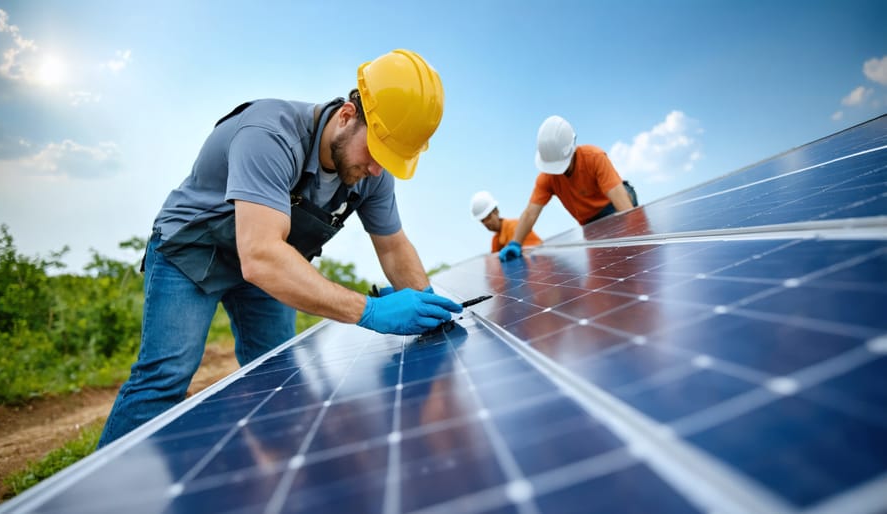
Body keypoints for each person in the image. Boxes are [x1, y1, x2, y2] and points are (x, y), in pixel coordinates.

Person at [97, 49, 462, 447]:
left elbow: (393, 247)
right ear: (346, 116)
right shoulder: (269, 135)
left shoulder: (372, 174)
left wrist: (428, 305)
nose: (377, 169)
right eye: (376, 151)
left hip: (265, 262)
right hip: (192, 252)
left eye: (389, 160)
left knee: (275, 374)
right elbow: (260, 257)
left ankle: (275, 481)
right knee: (166, 375)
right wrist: (370, 310)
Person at [498, 115, 638, 261]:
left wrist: (636, 234)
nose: (557, 172)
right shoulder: (547, 178)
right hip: (590, 222)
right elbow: (530, 213)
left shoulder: (594, 157)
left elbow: (621, 202)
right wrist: (515, 243)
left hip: (612, 205)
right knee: (604, 262)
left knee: (623, 250)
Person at [469, 190, 542, 253]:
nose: (487, 223)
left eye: (488, 217)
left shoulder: (515, 228)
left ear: (496, 211)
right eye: (483, 221)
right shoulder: (496, 240)